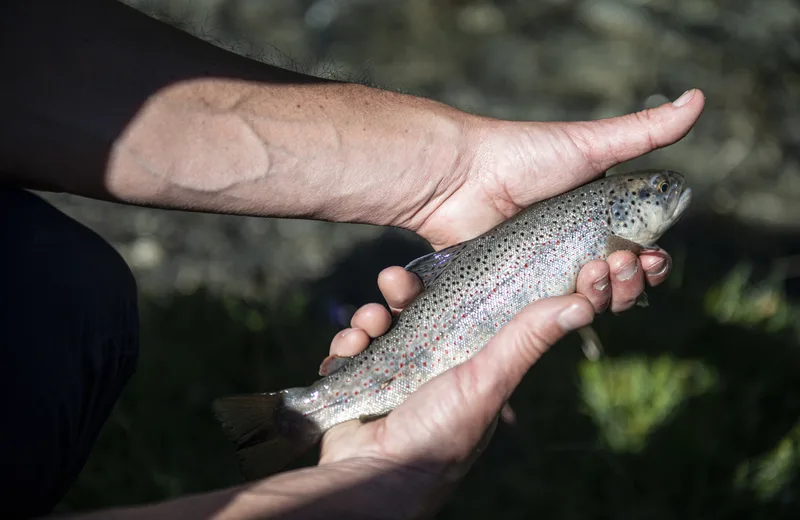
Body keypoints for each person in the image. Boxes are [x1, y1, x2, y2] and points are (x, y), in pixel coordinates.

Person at [0, 0, 705, 518]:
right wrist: (368, 490)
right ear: (621, 218)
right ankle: (307, 414)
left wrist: (452, 173)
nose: (670, 194)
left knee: (69, 295)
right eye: (656, 190)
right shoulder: (609, 232)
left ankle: (305, 413)